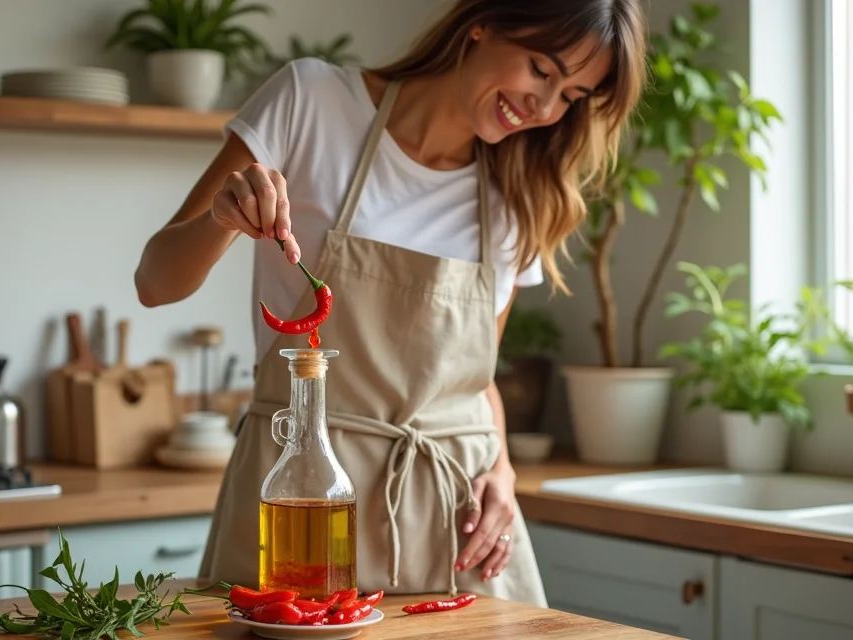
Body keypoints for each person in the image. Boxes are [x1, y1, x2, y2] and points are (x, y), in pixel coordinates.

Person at [135, 0, 648, 605]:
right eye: (541, 68)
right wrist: (222, 217)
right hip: (302, 508)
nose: (545, 106)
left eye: (572, 95)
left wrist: (503, 473)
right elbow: (155, 282)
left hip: (456, 527)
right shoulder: (313, 101)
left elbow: (475, 380)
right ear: (484, 23)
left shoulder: (521, 195)